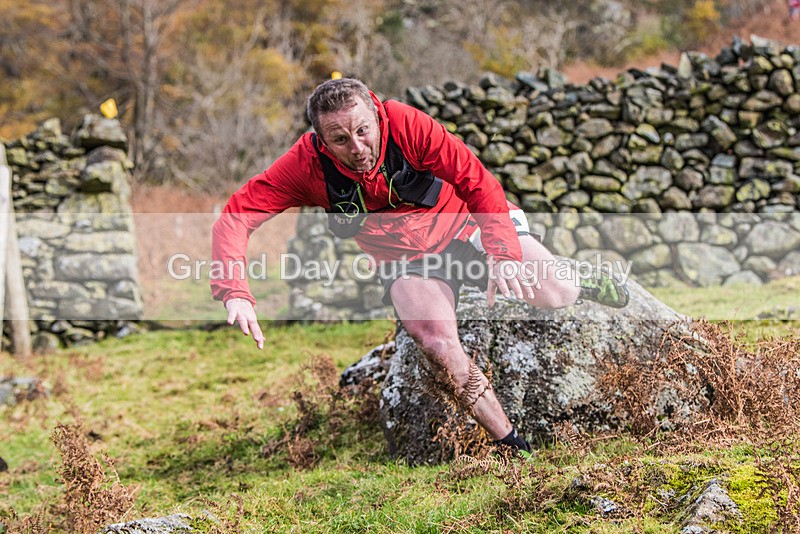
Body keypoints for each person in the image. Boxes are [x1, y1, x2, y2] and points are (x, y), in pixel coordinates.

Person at [211, 78, 628, 453]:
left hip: (464, 223)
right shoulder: (305, 165)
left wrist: (502, 254)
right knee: (437, 344)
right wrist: (235, 291)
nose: (356, 148)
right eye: (339, 139)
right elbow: (238, 213)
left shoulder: (407, 124)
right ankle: (511, 444)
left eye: (362, 131)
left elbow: (478, 182)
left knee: (555, 294)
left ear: (375, 116)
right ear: (320, 140)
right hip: (403, 258)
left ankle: (580, 277)